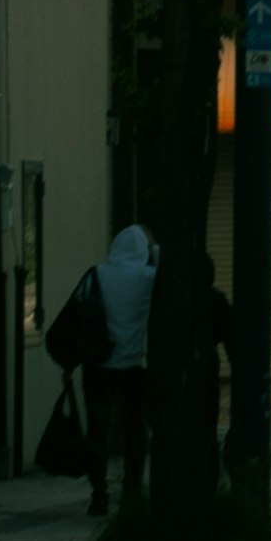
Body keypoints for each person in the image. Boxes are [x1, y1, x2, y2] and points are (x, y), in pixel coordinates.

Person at [88, 219, 156, 516]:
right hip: (134, 366)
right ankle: (131, 488)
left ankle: (99, 492)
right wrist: (153, 247)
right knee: (135, 430)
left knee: (97, 431)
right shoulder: (147, 276)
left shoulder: (97, 275)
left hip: (98, 365)